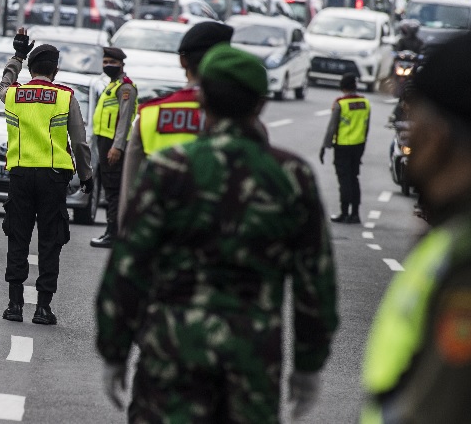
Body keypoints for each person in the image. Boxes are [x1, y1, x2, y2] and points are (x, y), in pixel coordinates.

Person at [96, 43, 338, 422]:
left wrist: (114, 350)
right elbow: (315, 281)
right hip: (252, 363)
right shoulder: (291, 177)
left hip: (171, 358)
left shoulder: (168, 169)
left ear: (203, 99)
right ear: (261, 104)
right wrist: (308, 365)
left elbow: (128, 266)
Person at [361, 32, 471, 422]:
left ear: (438, 135)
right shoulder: (450, 235)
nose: (409, 131)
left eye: (415, 119)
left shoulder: (462, 260)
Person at [0, 27, 94, 325]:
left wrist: (17, 55)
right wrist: (86, 174)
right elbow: (79, 141)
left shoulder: (13, 94)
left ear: (31, 67)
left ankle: (14, 305)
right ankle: (42, 308)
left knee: (18, 236)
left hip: (21, 175)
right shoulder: (66, 97)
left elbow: (3, 83)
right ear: (55, 69)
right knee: (50, 241)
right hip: (54, 179)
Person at [116, 20, 234, 232]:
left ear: (183, 61)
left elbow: (130, 196)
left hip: (161, 236)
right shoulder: (238, 117)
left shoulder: (151, 114)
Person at [90, 46, 138, 248]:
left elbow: (125, 120)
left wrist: (117, 147)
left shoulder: (125, 88)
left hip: (113, 145)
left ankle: (113, 233)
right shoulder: (112, 85)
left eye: (113, 63)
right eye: (105, 62)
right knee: (109, 189)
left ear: (122, 64)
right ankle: (112, 232)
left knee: (114, 191)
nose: (108, 65)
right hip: (104, 142)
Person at [319, 73, 371, 224]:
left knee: (344, 180)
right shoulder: (365, 103)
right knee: (354, 178)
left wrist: (324, 146)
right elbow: (366, 126)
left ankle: (344, 212)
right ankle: (355, 214)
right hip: (359, 145)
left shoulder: (340, 103)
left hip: (342, 146)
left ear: (342, 86)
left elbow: (332, 128)